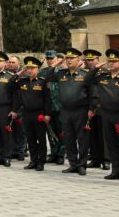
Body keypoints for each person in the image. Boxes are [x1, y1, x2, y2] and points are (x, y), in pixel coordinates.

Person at [40, 48, 98, 176]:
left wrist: (91, 109)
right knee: (68, 139)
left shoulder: (85, 74)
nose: (69, 60)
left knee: (82, 139)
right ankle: (73, 163)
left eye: (72, 58)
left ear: (79, 60)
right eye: (67, 58)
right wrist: (55, 64)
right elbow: (47, 77)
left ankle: (81, 165)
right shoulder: (61, 74)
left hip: (81, 110)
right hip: (65, 111)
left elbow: (92, 93)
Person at [94, 49, 119, 182]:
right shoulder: (102, 77)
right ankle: (115, 170)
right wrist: (96, 67)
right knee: (111, 144)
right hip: (106, 114)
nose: (111, 63)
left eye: (114, 61)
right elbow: (87, 80)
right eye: (109, 61)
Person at [14, 56, 51, 171]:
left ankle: (41, 161)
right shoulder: (22, 81)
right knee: (30, 139)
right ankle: (33, 160)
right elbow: (10, 85)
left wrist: (47, 114)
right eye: (27, 68)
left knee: (41, 139)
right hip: (26, 113)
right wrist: (19, 74)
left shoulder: (42, 82)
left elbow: (47, 100)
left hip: (39, 114)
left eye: (32, 68)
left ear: (37, 69)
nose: (29, 70)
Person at [82, 49, 109, 170]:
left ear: (98, 59)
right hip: (89, 107)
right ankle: (95, 158)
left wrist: (96, 106)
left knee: (103, 135)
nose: (90, 62)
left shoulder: (104, 72)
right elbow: (86, 83)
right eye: (88, 60)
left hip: (101, 107)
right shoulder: (88, 73)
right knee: (91, 135)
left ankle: (106, 159)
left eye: (92, 60)